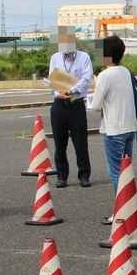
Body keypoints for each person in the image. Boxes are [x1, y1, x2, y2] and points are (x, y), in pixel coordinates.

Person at [87, 35, 137, 223]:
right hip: (130, 127)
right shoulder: (125, 71)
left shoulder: (105, 75)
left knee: (116, 172)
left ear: (107, 56)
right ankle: (130, 207)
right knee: (126, 170)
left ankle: (121, 211)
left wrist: (90, 92)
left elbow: (96, 105)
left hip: (114, 129)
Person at [48, 39, 94, 188]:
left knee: (80, 143)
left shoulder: (84, 57)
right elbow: (52, 78)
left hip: (76, 104)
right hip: (59, 104)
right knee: (59, 144)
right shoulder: (55, 57)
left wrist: (71, 90)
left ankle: (84, 175)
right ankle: (62, 176)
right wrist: (58, 92)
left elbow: (86, 78)